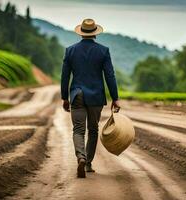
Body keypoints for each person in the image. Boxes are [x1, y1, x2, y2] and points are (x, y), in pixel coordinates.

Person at [61, 18, 120, 178]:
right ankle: (87, 164)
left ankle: (81, 156)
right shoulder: (103, 51)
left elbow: (65, 76)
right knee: (93, 130)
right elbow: (110, 75)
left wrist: (64, 97)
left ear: (81, 32)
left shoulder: (70, 51)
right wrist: (115, 97)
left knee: (78, 130)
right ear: (95, 34)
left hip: (77, 94)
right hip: (96, 96)